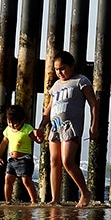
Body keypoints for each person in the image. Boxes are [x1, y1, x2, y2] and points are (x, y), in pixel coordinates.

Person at [39, 51, 98, 206]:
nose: (59, 72)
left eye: (62, 68)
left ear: (72, 66)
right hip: (55, 126)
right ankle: (55, 199)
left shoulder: (81, 81)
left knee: (67, 161)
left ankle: (85, 193)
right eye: (57, 69)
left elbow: (93, 104)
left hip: (70, 127)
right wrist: (41, 127)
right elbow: (48, 108)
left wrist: (94, 125)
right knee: (54, 161)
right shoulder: (56, 86)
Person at [0, 103, 41, 204]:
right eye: (9, 122)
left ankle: (34, 201)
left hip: (25, 159)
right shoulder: (8, 130)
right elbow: (3, 144)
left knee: (26, 181)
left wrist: (39, 135)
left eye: (15, 123)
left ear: (22, 120)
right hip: (11, 160)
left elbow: (37, 140)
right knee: (8, 179)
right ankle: (8, 202)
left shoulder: (27, 128)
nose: (12, 125)